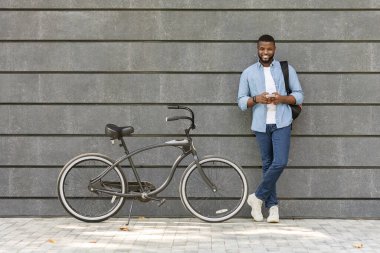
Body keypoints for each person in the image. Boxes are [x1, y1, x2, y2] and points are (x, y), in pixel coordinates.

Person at [237, 34, 304, 223]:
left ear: (274, 49)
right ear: (257, 49)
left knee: (280, 162)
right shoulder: (248, 73)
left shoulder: (286, 70)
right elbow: (241, 101)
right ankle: (272, 208)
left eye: (269, 49)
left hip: (282, 121)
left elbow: (299, 96)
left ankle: (256, 197)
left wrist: (281, 98)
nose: (265, 52)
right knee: (267, 164)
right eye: (262, 49)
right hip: (260, 124)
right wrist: (257, 99)